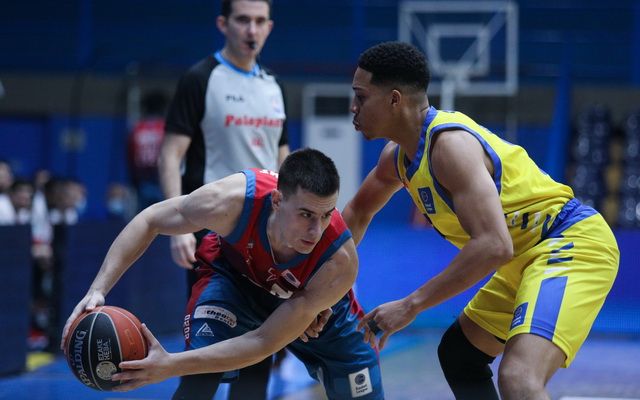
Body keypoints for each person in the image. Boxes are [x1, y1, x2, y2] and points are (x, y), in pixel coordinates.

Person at [344, 41, 619, 400]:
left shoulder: (450, 147)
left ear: (395, 100)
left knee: (519, 378)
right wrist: (313, 285)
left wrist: (410, 305)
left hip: (569, 243)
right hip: (523, 259)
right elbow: (356, 215)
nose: (353, 107)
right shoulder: (396, 159)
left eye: (361, 97)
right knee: (460, 355)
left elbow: (493, 245)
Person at [61, 149, 384, 400]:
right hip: (235, 280)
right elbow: (150, 220)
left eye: (326, 215)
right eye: (306, 214)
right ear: (277, 200)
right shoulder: (231, 202)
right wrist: (97, 289)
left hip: (310, 310)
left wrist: (168, 365)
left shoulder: (339, 261)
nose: (316, 230)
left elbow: (263, 341)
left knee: (360, 389)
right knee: (201, 370)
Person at [159, 1, 289, 394]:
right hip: (212, 235)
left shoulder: (274, 85)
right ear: (223, 24)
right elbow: (170, 156)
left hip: (264, 239)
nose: (252, 29)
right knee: (205, 357)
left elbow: (282, 159)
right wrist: (179, 228)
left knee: (258, 357)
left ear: (270, 27)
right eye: (242, 20)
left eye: (260, 21)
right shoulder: (200, 79)